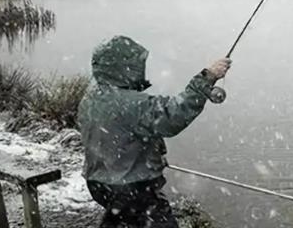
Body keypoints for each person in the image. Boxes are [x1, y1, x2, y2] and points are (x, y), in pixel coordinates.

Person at [78, 35, 231, 228]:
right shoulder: (132, 103)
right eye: (136, 65)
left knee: (119, 219)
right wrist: (207, 77)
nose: (141, 69)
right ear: (123, 68)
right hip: (131, 188)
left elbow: (117, 136)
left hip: (98, 184)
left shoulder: (91, 98)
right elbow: (173, 116)